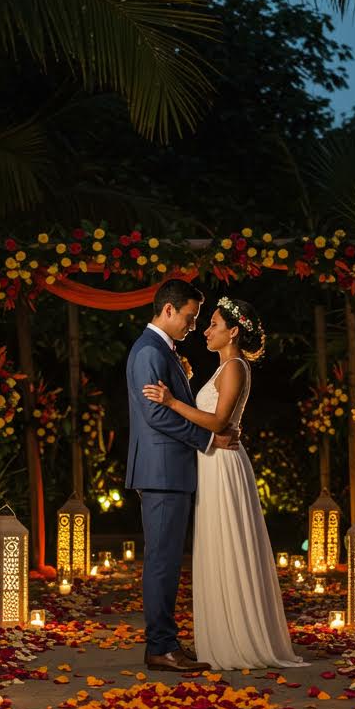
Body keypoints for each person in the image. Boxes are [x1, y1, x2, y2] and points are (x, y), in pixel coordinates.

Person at [143, 296, 305, 669]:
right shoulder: (223, 368)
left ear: (233, 331)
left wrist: (170, 401)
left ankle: (239, 638)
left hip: (224, 464)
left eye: (213, 324)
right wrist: (183, 383)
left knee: (228, 543)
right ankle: (221, 637)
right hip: (212, 462)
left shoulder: (235, 366)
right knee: (215, 544)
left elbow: (217, 423)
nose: (206, 330)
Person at [125, 279, 239, 673]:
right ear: (168, 310)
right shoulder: (148, 351)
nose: (193, 326)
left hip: (170, 470)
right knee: (162, 562)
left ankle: (167, 641)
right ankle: (160, 647)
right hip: (161, 472)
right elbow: (154, 414)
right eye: (190, 318)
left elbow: (171, 404)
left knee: (169, 561)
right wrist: (210, 439)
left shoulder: (164, 350)